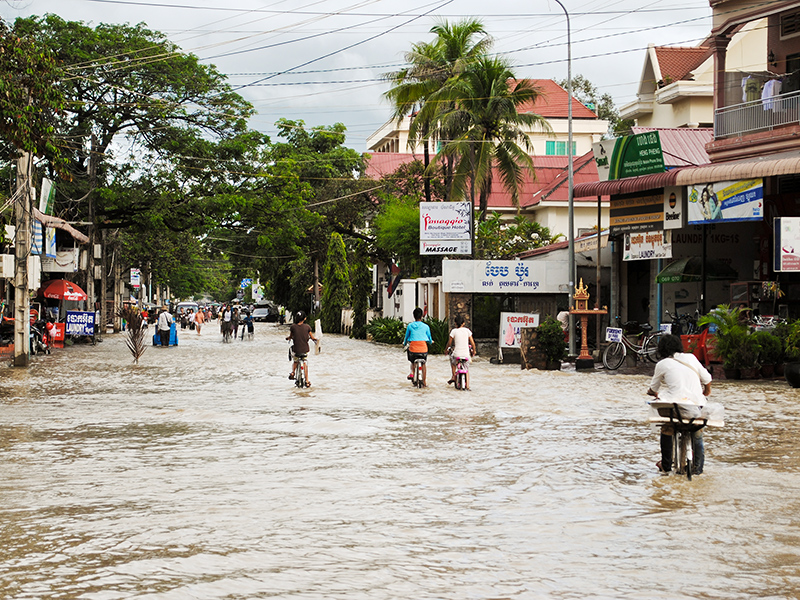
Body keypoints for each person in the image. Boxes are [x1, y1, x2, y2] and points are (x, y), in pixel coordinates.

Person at [647, 334, 712, 475]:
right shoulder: (691, 358)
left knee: (667, 426)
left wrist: (652, 392)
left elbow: (654, 389)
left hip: (676, 407)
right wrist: (706, 392)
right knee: (697, 433)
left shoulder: (662, 364)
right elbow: (707, 379)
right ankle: (699, 470)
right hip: (697, 407)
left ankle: (666, 466)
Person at [402, 307, 432, 387]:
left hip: (413, 349)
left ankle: (412, 372)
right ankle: (424, 382)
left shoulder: (410, 326)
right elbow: (429, 338)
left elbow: (406, 338)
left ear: (414, 316)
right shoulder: (426, 327)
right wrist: (430, 342)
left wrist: (404, 344)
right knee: (424, 364)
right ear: (422, 316)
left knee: (412, 361)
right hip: (423, 349)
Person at [445, 314, 477, 389]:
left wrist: (446, 350)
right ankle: (468, 386)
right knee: (466, 369)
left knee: (452, 361)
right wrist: (474, 351)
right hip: (466, 355)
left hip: (456, 354)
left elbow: (449, 343)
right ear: (463, 323)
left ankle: (453, 376)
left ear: (455, 323)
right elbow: (473, 343)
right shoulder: (467, 331)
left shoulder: (454, 331)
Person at [287, 311, 317, 387]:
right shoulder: (307, 327)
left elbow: (291, 336)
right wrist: (314, 339)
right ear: (305, 318)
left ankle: (293, 372)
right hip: (305, 350)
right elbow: (312, 337)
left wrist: (288, 338)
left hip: (296, 350)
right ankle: (307, 381)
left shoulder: (293, 327)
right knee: (305, 362)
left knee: (296, 360)